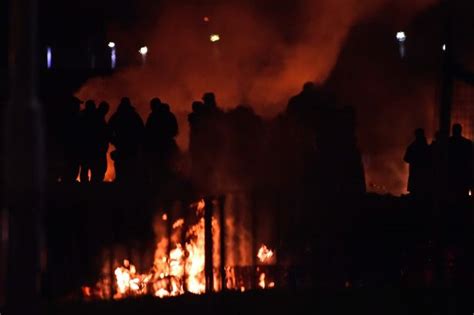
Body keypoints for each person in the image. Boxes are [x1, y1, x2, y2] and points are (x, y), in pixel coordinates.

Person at [108, 97, 144, 182]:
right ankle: (130, 180)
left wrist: (113, 140)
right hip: (131, 144)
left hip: (122, 143)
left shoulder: (117, 116)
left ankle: (121, 179)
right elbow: (141, 129)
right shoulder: (134, 115)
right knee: (130, 162)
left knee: (121, 162)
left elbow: (109, 129)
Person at [144, 98, 179, 185]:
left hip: (158, 146)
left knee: (159, 167)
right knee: (168, 166)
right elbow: (175, 130)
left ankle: (160, 186)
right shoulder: (169, 115)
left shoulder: (154, 116)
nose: (151, 107)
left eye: (152, 106)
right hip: (166, 145)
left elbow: (147, 130)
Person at [447, 124, 473, 198]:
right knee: (462, 196)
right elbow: (470, 159)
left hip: (451, 173)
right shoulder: (467, 143)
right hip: (463, 174)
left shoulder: (447, 142)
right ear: (461, 130)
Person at [404, 128, 431, 196]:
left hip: (415, 173)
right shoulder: (426, 147)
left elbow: (406, 158)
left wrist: (413, 160)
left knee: (415, 192)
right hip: (424, 174)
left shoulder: (412, 146)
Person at [91, 101, 111, 183]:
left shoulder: (97, 116)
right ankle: (96, 182)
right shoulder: (98, 118)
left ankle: (95, 182)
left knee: (97, 166)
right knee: (99, 166)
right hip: (98, 147)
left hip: (98, 147)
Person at [79, 100, 97, 183]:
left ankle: (84, 182)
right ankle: (92, 183)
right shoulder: (96, 115)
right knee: (92, 165)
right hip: (91, 144)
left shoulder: (81, 114)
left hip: (84, 144)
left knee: (85, 165)